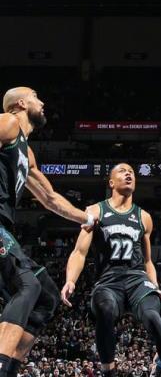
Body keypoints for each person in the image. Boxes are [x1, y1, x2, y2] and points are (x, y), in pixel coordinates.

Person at [0, 87, 94, 377]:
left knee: (46, 296)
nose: (42, 102)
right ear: (21, 103)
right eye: (35, 96)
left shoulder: (26, 152)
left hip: (5, 228)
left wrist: (89, 218)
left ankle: (10, 368)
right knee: (27, 285)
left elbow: (50, 198)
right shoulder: (8, 122)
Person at [60, 163, 161, 377]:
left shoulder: (144, 217)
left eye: (131, 172)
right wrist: (71, 280)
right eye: (122, 171)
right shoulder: (95, 211)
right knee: (105, 309)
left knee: (153, 317)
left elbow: (147, 261)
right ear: (111, 182)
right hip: (108, 282)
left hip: (137, 280)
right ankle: (108, 370)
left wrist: (155, 287)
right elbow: (79, 252)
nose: (128, 174)